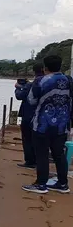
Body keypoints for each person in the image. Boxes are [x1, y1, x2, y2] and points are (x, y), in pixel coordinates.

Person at [23, 55, 71, 194]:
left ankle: (41, 184)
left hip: (42, 123)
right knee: (59, 154)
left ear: (45, 68)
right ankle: (63, 184)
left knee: (42, 154)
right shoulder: (69, 80)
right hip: (62, 124)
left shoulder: (40, 81)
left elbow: (31, 100)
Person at [15, 63, 44, 169]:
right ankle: (38, 161)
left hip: (29, 116)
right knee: (39, 140)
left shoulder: (31, 85)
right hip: (43, 116)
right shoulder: (47, 83)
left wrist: (18, 88)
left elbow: (20, 96)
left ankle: (30, 161)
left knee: (27, 139)